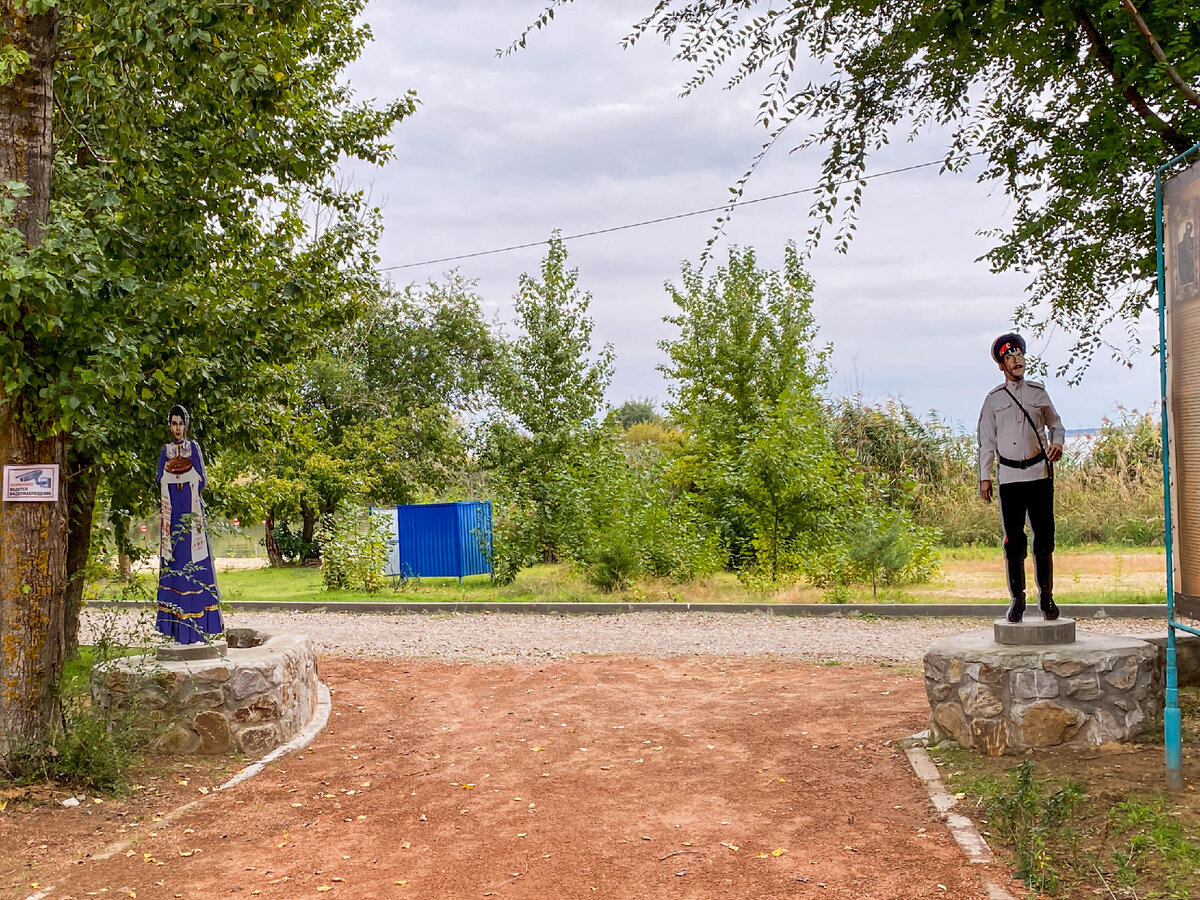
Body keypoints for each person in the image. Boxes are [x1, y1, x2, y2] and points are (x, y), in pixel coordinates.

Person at [977, 333, 1065, 623]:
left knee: (1044, 538)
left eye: (1020, 355)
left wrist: (1058, 444)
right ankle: (1017, 598)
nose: (1017, 360)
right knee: (1013, 541)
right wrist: (984, 477)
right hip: (1010, 477)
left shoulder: (1038, 392)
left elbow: (1056, 424)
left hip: (1039, 474)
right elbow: (986, 441)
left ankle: (1047, 596)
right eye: (1010, 357)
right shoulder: (993, 400)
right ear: (1002, 365)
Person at [156, 404, 223, 643]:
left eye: (180, 423)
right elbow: (158, 478)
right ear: (169, 425)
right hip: (172, 515)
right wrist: (170, 476)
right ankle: (175, 628)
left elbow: (202, 478)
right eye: (173, 423)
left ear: (186, 425)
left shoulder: (192, 447)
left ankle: (201, 625)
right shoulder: (166, 450)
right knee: (174, 562)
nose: (177, 428)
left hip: (191, 513)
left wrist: (186, 477)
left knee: (197, 561)